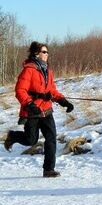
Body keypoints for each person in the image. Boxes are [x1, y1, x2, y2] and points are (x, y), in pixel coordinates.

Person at [4, 41, 74, 178]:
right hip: (32, 111)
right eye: (44, 52)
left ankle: (49, 169)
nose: (47, 54)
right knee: (31, 140)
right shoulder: (28, 70)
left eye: (47, 52)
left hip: (47, 110)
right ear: (36, 54)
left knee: (51, 139)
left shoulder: (48, 70)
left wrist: (63, 101)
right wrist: (30, 104)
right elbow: (20, 90)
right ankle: (12, 136)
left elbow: (52, 90)